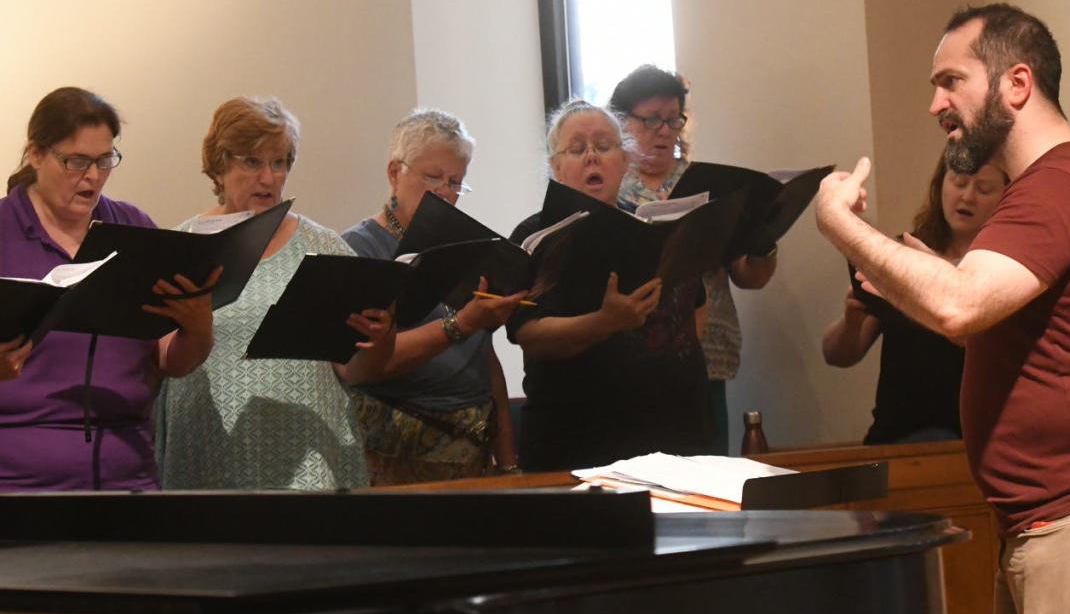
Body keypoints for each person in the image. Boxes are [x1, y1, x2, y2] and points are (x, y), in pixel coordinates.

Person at [814, 3, 1070, 614]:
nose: (936, 105)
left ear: (1018, 83)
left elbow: (957, 306)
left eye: (950, 81)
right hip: (1063, 512)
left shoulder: (1059, 184)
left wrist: (838, 223)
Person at [0, 87, 217, 490]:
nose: (94, 175)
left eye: (105, 159)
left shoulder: (133, 228)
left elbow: (171, 360)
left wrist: (199, 329)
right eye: (76, 161)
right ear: (35, 154)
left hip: (127, 476)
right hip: (15, 484)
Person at [157, 97, 369, 490]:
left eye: (279, 162)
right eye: (252, 162)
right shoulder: (182, 247)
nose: (269, 178)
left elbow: (354, 368)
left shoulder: (323, 245)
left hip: (308, 451)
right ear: (220, 166)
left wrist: (379, 338)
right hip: (210, 447)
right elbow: (160, 357)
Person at [506, 99, 712, 471]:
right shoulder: (535, 236)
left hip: (675, 438)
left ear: (625, 160)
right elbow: (529, 334)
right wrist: (606, 322)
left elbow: (696, 304)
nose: (592, 157)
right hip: (578, 443)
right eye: (577, 148)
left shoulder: (655, 227)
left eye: (604, 146)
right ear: (555, 166)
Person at [339, 108, 526, 484]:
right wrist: (461, 323)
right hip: (395, 454)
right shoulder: (359, 248)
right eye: (433, 177)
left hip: (473, 445)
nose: (446, 191)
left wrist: (508, 463)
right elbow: (362, 364)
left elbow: (484, 357)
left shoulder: (467, 246)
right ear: (395, 173)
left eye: (456, 181)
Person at [610, 65, 776, 454]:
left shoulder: (710, 184)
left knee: (706, 469)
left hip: (704, 350)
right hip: (629, 354)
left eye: (673, 119)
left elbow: (750, 276)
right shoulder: (608, 187)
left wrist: (765, 238)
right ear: (621, 123)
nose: (665, 130)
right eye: (652, 119)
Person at [821, 156, 1006, 444]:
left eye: (983, 189)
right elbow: (836, 355)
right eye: (958, 182)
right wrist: (851, 321)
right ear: (940, 185)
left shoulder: (1007, 270)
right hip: (895, 435)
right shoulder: (900, 254)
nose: (967, 196)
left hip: (972, 439)